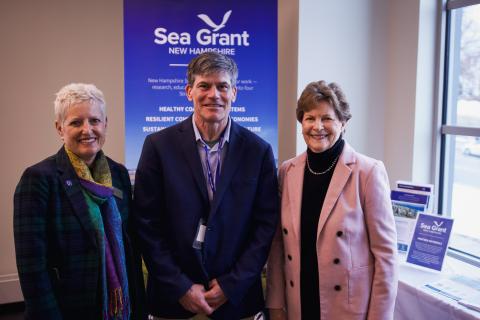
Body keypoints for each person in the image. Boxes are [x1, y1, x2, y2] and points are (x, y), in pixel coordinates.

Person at [133, 52, 279, 320]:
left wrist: (231, 285)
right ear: (189, 91)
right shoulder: (157, 147)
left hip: (238, 302)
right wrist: (181, 287)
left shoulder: (258, 152)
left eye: (222, 86)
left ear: (234, 92)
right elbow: (146, 224)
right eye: (204, 85)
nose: (214, 94)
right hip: (173, 302)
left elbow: (265, 226)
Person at [266, 81, 398, 320]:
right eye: (309, 118)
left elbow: (386, 256)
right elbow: (278, 246)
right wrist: (275, 304)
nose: (318, 127)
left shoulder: (368, 172)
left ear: (343, 123)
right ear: (301, 123)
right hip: (299, 305)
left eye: (327, 118)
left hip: (347, 308)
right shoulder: (287, 171)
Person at [14, 83, 145, 319]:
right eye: (76, 122)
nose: (88, 129)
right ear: (59, 128)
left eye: (95, 121)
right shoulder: (39, 179)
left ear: (106, 124)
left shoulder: (119, 174)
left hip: (122, 308)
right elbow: (32, 268)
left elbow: (130, 248)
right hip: (69, 310)